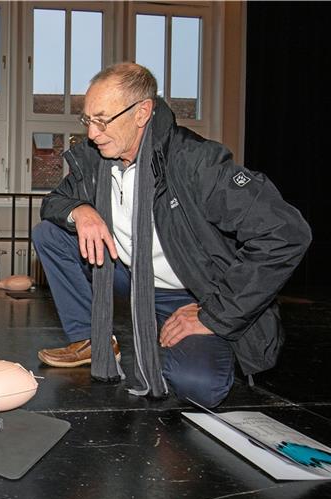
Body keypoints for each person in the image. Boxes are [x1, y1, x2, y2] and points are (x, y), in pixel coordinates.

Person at [32, 62, 311, 407]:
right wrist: (81, 211)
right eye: (88, 120)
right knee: (50, 234)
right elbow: (55, 202)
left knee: (198, 385)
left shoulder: (197, 162)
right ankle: (91, 340)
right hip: (128, 275)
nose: (92, 133)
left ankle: (178, 340)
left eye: (103, 119)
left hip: (191, 293)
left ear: (142, 112)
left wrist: (215, 314)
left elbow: (286, 232)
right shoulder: (95, 159)